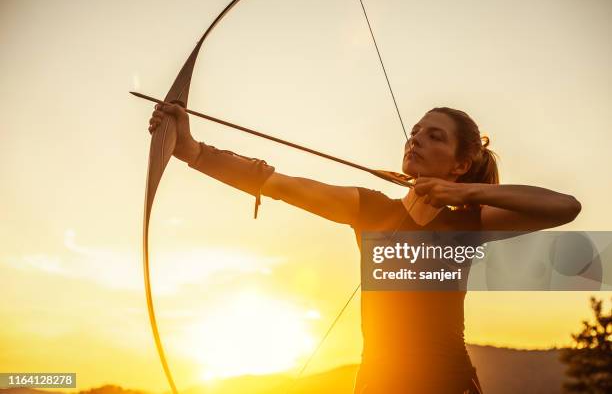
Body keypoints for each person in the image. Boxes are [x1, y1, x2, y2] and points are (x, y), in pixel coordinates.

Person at [148, 104, 581, 393]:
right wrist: (191, 150)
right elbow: (275, 183)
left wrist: (460, 192)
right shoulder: (371, 210)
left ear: (461, 163)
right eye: (414, 133)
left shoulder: (467, 222)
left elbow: (564, 207)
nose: (416, 140)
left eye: (434, 137)